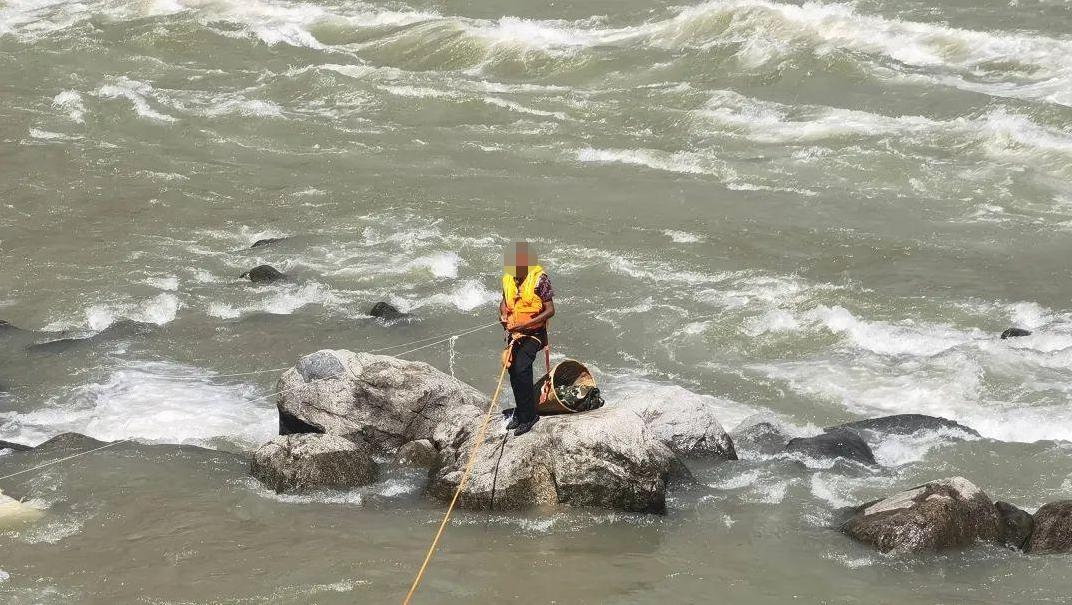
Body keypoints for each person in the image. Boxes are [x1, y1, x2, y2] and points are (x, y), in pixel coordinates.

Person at [499, 241, 555, 436]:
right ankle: (521, 411)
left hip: (534, 333)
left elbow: (550, 310)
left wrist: (526, 325)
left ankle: (530, 416)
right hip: (515, 333)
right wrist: (503, 316)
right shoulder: (508, 279)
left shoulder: (541, 280)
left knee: (522, 368)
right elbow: (504, 302)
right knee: (513, 371)